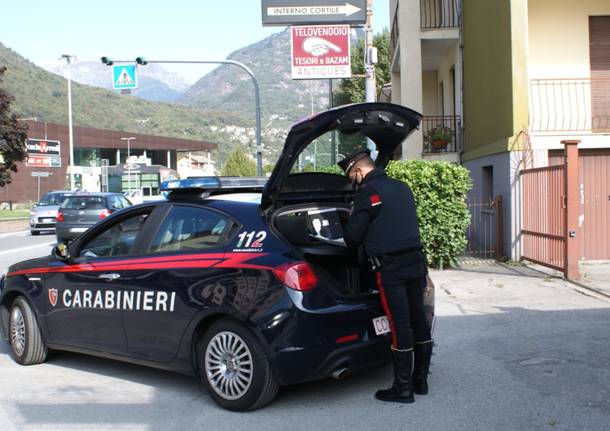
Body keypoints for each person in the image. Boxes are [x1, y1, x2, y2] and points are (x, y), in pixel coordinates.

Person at [338, 149, 433, 404]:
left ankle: (402, 389)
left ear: (358, 170)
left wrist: (350, 218)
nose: (353, 182)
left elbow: (352, 238)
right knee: (418, 321)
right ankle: (420, 381)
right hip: (415, 263)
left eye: (352, 176)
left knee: (399, 324)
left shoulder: (367, 194)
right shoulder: (402, 188)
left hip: (390, 269)